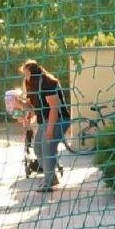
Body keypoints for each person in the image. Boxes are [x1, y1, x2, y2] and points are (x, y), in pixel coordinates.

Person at [21, 59, 69, 192]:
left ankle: (48, 183)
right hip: (44, 121)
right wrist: (24, 113)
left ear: (33, 72)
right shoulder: (30, 83)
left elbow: (54, 108)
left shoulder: (48, 82)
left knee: (47, 148)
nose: (25, 77)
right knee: (38, 148)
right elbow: (33, 105)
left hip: (58, 119)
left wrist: (50, 129)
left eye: (27, 73)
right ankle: (51, 177)